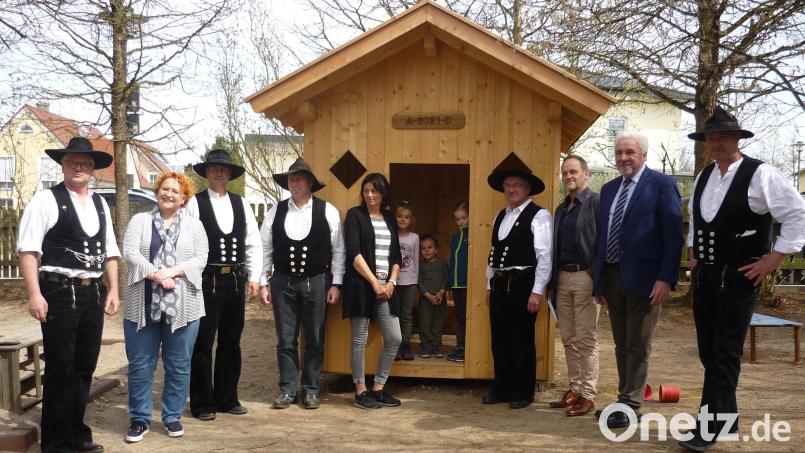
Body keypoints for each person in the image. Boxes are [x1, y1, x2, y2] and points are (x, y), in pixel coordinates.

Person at [678, 107, 805, 452]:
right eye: (711, 137)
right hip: (706, 277)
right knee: (708, 351)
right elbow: (697, 222)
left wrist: (774, 259)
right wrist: (693, 252)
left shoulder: (760, 174)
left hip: (739, 277)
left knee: (725, 352)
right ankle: (728, 419)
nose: (716, 143)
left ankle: (708, 427)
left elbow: (797, 214)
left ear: (737, 139)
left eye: (722, 137)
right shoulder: (704, 176)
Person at [16, 137, 120, 453]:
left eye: (85, 163)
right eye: (73, 162)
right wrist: (35, 294)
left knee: (85, 366)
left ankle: (77, 434)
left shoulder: (101, 204)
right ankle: (56, 441)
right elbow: (28, 250)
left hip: (92, 293)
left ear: (92, 169)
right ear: (63, 165)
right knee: (61, 368)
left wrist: (113, 288)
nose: (79, 167)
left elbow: (110, 252)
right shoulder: (46, 200)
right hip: (59, 292)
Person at [591, 131, 683, 429]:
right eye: (619, 153)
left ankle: (631, 404)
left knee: (639, 344)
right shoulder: (608, 189)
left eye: (629, 152)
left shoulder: (661, 184)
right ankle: (623, 398)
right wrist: (599, 282)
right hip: (613, 275)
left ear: (643, 155)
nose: (623, 158)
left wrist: (666, 278)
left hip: (647, 279)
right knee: (621, 343)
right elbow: (601, 238)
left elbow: (673, 236)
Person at [122, 172, 209, 443]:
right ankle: (139, 418)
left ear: (184, 198)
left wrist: (172, 271)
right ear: (157, 192)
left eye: (175, 191)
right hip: (142, 306)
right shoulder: (140, 220)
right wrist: (158, 275)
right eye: (165, 188)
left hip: (184, 308)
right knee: (140, 365)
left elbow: (200, 259)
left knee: (179, 365)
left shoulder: (195, 226)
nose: (169, 194)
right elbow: (130, 253)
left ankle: (172, 416)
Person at [258, 157, 345, 410]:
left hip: (317, 282)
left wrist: (336, 283)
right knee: (286, 340)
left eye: (299, 178)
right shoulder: (276, 211)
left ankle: (310, 390)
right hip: (282, 283)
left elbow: (338, 250)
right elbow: (265, 248)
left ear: (309, 182)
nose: (294, 182)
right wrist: (264, 282)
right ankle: (287, 389)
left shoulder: (327, 211)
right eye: (291, 178)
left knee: (316, 339)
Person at [186, 149, 262, 421]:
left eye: (224, 168)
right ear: (207, 172)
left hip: (236, 281)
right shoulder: (194, 204)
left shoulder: (241, 204)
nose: (219, 172)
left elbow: (253, 242)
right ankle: (202, 402)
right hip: (206, 281)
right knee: (203, 342)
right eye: (214, 168)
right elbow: (186, 244)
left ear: (230, 174)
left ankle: (227, 398)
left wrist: (254, 277)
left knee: (231, 341)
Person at [483, 165, 552, 409]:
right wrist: (489, 285)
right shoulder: (500, 215)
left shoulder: (540, 215)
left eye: (517, 185)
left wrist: (537, 291)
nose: (511, 190)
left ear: (527, 188)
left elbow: (544, 256)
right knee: (499, 339)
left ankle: (523, 392)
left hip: (523, 284)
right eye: (508, 186)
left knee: (521, 340)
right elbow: (493, 253)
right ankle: (502, 388)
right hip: (500, 284)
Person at [342, 173, 403, 409]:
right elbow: (354, 253)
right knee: (359, 338)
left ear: (383, 193)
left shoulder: (389, 218)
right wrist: (374, 283)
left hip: (386, 287)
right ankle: (360, 390)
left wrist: (391, 283)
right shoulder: (355, 215)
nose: (370, 195)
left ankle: (378, 388)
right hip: (361, 286)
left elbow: (396, 255)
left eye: (375, 190)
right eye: (366, 190)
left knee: (394, 337)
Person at [548, 155, 601, 417]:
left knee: (585, 339)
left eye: (573, 172)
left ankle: (588, 396)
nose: (569, 176)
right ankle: (575, 389)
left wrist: (598, 279)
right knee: (568, 338)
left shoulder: (596, 203)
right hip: (561, 277)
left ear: (585, 174)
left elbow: (602, 244)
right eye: (565, 173)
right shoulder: (561, 209)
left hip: (585, 276)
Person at [417, 234, 449, 358]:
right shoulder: (421, 265)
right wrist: (428, 296)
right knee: (425, 323)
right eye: (423, 248)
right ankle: (425, 345)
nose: (426, 250)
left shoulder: (442, 263)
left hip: (440, 298)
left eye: (429, 247)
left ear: (436, 250)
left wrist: (441, 292)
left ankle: (436, 345)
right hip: (426, 299)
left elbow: (447, 278)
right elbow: (419, 282)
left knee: (438, 323)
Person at [394, 201, 418, 361]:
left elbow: (416, 260)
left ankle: (406, 345)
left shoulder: (414, 238)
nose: (403, 219)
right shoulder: (391, 235)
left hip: (409, 281)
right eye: (400, 216)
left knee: (407, 314)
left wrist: (415, 280)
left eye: (407, 217)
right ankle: (394, 346)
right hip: (393, 281)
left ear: (411, 220)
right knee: (394, 314)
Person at [447, 201, 469, 362]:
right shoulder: (455, 238)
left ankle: (468, 346)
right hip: (456, 285)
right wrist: (449, 283)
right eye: (458, 219)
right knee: (459, 316)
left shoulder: (472, 235)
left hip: (467, 284)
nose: (461, 222)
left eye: (464, 218)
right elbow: (452, 261)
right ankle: (460, 346)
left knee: (468, 316)